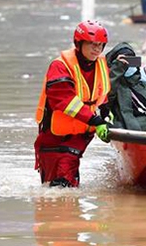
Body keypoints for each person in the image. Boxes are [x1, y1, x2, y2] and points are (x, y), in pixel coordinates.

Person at [34, 20, 112, 187]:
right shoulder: (60, 66)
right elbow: (64, 100)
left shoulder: (101, 64)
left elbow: (101, 91)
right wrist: (96, 121)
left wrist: (106, 112)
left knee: (66, 177)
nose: (97, 49)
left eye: (100, 45)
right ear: (79, 43)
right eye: (92, 44)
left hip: (81, 132)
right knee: (55, 184)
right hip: (56, 133)